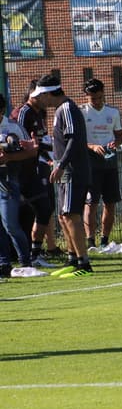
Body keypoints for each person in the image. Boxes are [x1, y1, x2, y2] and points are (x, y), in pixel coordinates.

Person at [37, 74, 94, 278]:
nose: (39, 100)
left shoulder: (67, 108)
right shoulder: (60, 110)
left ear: (50, 93)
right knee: (63, 216)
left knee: (71, 215)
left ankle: (84, 264)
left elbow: (74, 139)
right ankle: (72, 259)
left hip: (72, 172)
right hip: (64, 171)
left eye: (41, 95)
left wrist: (61, 164)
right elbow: (62, 141)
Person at [0, 92, 46, 278]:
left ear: (2, 110)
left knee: (10, 223)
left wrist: (9, 156)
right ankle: (3, 263)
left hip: (8, 179)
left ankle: (25, 262)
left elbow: (32, 151)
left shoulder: (13, 126)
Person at [13, 79, 57, 267]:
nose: (48, 101)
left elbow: (40, 143)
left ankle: (35, 254)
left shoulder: (38, 114)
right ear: (37, 95)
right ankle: (20, 256)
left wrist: (51, 152)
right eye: (46, 97)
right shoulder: (24, 112)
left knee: (45, 208)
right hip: (24, 171)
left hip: (36, 169)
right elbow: (23, 142)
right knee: (22, 213)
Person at [80, 78, 122, 252]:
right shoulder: (81, 112)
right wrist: (92, 146)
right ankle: (90, 242)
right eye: (93, 99)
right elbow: (78, 140)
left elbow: (119, 136)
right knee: (91, 203)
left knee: (110, 203)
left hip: (109, 162)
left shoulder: (113, 112)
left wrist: (115, 144)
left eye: (99, 98)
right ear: (87, 97)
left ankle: (105, 240)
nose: (97, 102)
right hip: (90, 163)